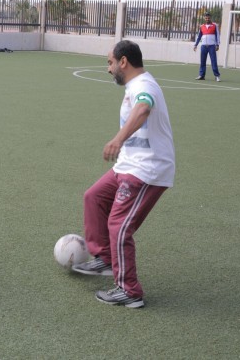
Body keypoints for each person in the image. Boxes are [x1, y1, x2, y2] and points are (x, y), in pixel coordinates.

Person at [72, 40, 175, 309]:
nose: (109, 69)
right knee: (94, 197)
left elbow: (143, 108)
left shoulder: (144, 86)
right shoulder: (135, 85)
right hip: (128, 164)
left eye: (110, 63)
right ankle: (105, 259)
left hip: (147, 168)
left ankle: (129, 291)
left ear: (123, 62)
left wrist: (118, 139)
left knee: (119, 225)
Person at [193, 12, 221, 82]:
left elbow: (217, 35)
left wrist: (217, 44)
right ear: (204, 18)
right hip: (203, 46)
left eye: (208, 18)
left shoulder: (214, 26)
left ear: (210, 18)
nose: (207, 19)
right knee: (202, 61)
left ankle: (217, 76)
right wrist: (195, 45)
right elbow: (199, 36)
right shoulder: (202, 26)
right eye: (206, 18)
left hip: (212, 46)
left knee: (213, 61)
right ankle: (202, 75)